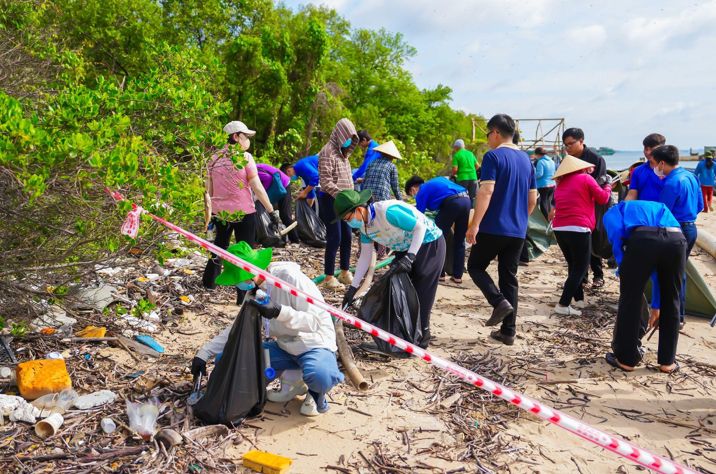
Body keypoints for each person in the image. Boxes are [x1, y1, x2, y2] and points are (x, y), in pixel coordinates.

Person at [191, 242, 344, 416]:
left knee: (320, 375)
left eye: (238, 279)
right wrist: (204, 354)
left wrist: (279, 311)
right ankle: (293, 383)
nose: (237, 285)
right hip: (285, 347)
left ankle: (316, 395)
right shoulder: (255, 291)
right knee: (226, 361)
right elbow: (236, 329)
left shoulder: (290, 278)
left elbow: (314, 322)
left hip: (314, 345)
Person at [338, 189, 445, 349]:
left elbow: (420, 228)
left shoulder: (387, 211)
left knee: (422, 293)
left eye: (348, 218)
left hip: (429, 243)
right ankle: (401, 337)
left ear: (359, 209)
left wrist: (410, 257)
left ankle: (421, 339)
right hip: (405, 249)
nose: (349, 223)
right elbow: (365, 257)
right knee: (399, 292)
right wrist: (353, 288)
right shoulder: (365, 227)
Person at [466, 114, 538, 346]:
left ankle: (498, 302)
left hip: (493, 225)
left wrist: (475, 224)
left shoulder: (493, 156)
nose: (488, 138)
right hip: (517, 229)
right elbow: (533, 199)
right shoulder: (526, 160)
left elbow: (486, 192)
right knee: (509, 278)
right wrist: (520, 220)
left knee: (475, 266)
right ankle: (508, 332)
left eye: (488, 134)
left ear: (496, 132)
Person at [603, 201, 686, 374]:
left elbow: (617, 235)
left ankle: (626, 360)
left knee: (630, 298)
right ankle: (668, 362)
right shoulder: (656, 206)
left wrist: (623, 266)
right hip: (676, 239)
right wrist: (656, 306)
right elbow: (657, 275)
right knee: (672, 298)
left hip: (643, 240)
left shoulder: (612, 212)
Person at [203, 121, 280, 294]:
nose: (248, 140)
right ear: (236, 136)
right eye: (245, 136)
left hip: (220, 213)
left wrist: (210, 214)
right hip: (244, 212)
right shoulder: (245, 158)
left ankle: (209, 284)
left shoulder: (213, 158)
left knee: (219, 247)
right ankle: (243, 294)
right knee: (246, 253)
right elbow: (257, 186)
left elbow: (209, 190)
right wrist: (271, 211)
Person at [551, 155, 613, 315]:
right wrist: (608, 186)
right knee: (581, 267)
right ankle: (563, 304)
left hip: (559, 228)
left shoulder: (560, 183)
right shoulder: (585, 178)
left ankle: (578, 299)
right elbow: (603, 198)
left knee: (573, 265)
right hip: (578, 227)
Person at [652, 145, 703, 328]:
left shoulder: (671, 183)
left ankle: (674, 316)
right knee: (679, 272)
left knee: (670, 274)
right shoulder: (691, 176)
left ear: (662, 163)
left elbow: (663, 213)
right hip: (691, 228)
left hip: (675, 230)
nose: (654, 167)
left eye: (655, 163)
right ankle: (678, 315)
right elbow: (700, 205)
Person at [562, 128, 608, 288]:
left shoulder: (596, 159)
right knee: (577, 245)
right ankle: (581, 278)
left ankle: (598, 275)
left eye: (571, 143)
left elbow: (600, 183)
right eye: (565, 145)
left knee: (593, 240)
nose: (568, 147)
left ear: (581, 141)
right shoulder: (568, 160)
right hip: (572, 206)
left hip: (592, 206)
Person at [318, 118, 359, 290]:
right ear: (340, 135)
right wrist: (342, 195)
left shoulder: (344, 155)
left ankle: (344, 272)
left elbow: (348, 179)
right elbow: (326, 181)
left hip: (345, 201)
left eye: (352, 138)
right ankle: (328, 277)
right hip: (331, 200)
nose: (349, 141)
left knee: (348, 237)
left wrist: (352, 196)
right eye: (347, 137)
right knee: (335, 237)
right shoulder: (327, 152)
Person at [405, 175, 470, 284]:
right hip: (466, 201)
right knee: (460, 240)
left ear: (413, 189)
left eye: (412, 194)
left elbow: (418, 215)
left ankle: (440, 274)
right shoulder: (437, 182)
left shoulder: (422, 190)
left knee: (437, 238)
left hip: (452, 203)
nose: (414, 196)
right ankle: (457, 276)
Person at [256, 163, 299, 244]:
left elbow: (267, 178)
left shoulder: (253, 170)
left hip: (283, 185)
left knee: (285, 215)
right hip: (275, 186)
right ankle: (264, 238)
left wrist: (262, 193)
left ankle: (295, 240)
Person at [625, 133, 666, 202]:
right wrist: (623, 206)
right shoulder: (637, 171)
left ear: (662, 149)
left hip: (664, 208)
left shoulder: (669, 170)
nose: (648, 152)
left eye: (652, 149)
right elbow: (631, 195)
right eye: (646, 149)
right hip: (643, 208)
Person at [451, 139, 480, 204]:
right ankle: (471, 209)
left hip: (462, 178)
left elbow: (455, 170)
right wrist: (471, 171)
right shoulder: (470, 153)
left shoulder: (457, 155)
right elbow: (477, 166)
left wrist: (452, 175)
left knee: (462, 198)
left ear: (456, 147)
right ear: (463, 146)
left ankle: (464, 210)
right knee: (472, 198)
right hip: (473, 178)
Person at [534, 147, 556, 219]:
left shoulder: (540, 162)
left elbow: (539, 174)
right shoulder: (552, 161)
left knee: (543, 202)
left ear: (538, 154)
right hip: (552, 184)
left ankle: (546, 219)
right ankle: (550, 218)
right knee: (549, 202)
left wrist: (532, 176)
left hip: (543, 185)